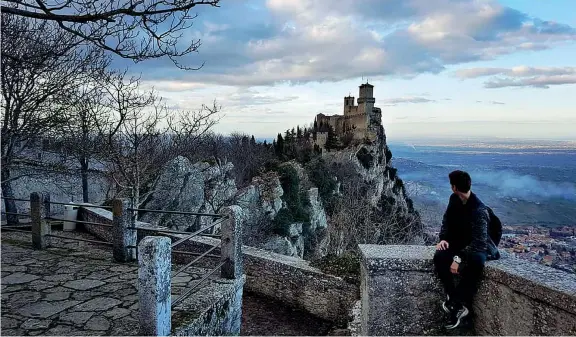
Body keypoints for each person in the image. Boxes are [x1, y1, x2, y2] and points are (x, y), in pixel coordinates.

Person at [434, 170, 492, 330]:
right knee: (439, 256)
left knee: (476, 261)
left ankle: (456, 303)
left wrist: (458, 258)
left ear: (454, 187)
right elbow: (447, 220)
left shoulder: (479, 210)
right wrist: (443, 239)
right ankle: (454, 300)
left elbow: (479, 243)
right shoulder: (454, 199)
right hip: (458, 243)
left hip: (475, 248)